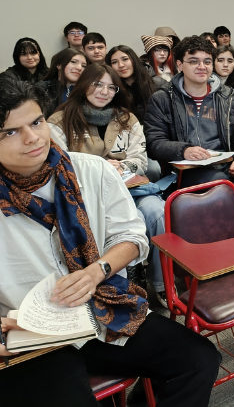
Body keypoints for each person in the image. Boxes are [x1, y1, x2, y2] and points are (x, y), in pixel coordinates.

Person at [0, 78, 220, 407]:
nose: (32, 138)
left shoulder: (91, 170)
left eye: (36, 122)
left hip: (101, 306)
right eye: (9, 132)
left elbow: (131, 237)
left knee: (198, 360)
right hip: (30, 332)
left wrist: (97, 271)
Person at [47, 64, 167, 304]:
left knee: (157, 212)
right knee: (129, 220)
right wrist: (101, 169)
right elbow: (58, 165)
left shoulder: (127, 118)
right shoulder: (60, 121)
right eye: (97, 84)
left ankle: (161, 283)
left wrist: (123, 166)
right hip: (88, 196)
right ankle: (126, 275)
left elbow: (141, 159)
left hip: (131, 187)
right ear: (83, 85)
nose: (105, 92)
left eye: (112, 87)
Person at [143, 36, 234, 250]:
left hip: (227, 163)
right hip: (187, 170)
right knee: (219, 187)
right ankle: (231, 255)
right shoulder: (163, 99)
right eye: (193, 61)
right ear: (179, 65)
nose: (201, 66)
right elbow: (154, 142)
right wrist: (184, 150)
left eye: (206, 61)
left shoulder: (228, 97)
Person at [107, 45, 168, 125]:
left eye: (125, 59)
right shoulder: (112, 90)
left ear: (134, 60)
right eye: (114, 62)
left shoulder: (158, 84)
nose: (121, 65)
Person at [37, 48, 88, 117]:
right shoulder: (42, 89)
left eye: (84, 66)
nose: (79, 68)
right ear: (59, 65)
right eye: (73, 62)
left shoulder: (87, 91)